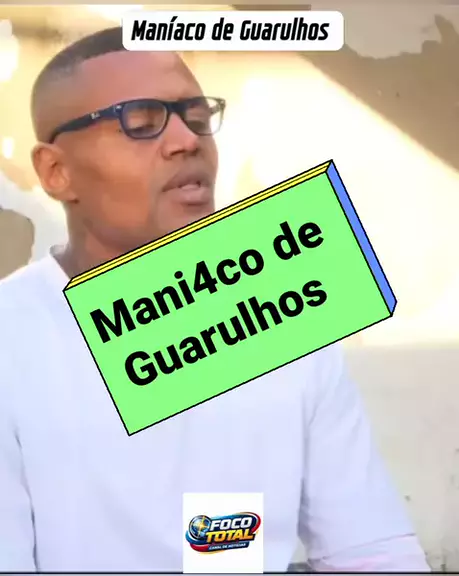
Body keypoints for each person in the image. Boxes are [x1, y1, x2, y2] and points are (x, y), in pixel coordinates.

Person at [0, 26, 430, 573]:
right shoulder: (12, 338)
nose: (187, 140)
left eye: (198, 118)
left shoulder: (285, 312)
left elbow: (372, 552)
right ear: (56, 171)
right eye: (142, 121)